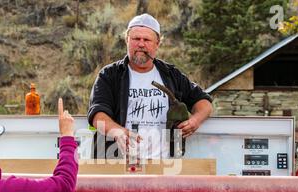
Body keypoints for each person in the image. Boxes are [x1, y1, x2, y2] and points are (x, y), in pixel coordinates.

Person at [88, 13, 213, 159]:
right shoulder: (109, 75)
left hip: (164, 166)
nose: (141, 44)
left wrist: (195, 121)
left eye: (146, 39)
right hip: (117, 164)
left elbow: (204, 103)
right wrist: (117, 131)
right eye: (136, 38)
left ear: (157, 44)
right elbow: (98, 114)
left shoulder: (171, 75)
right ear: (127, 40)